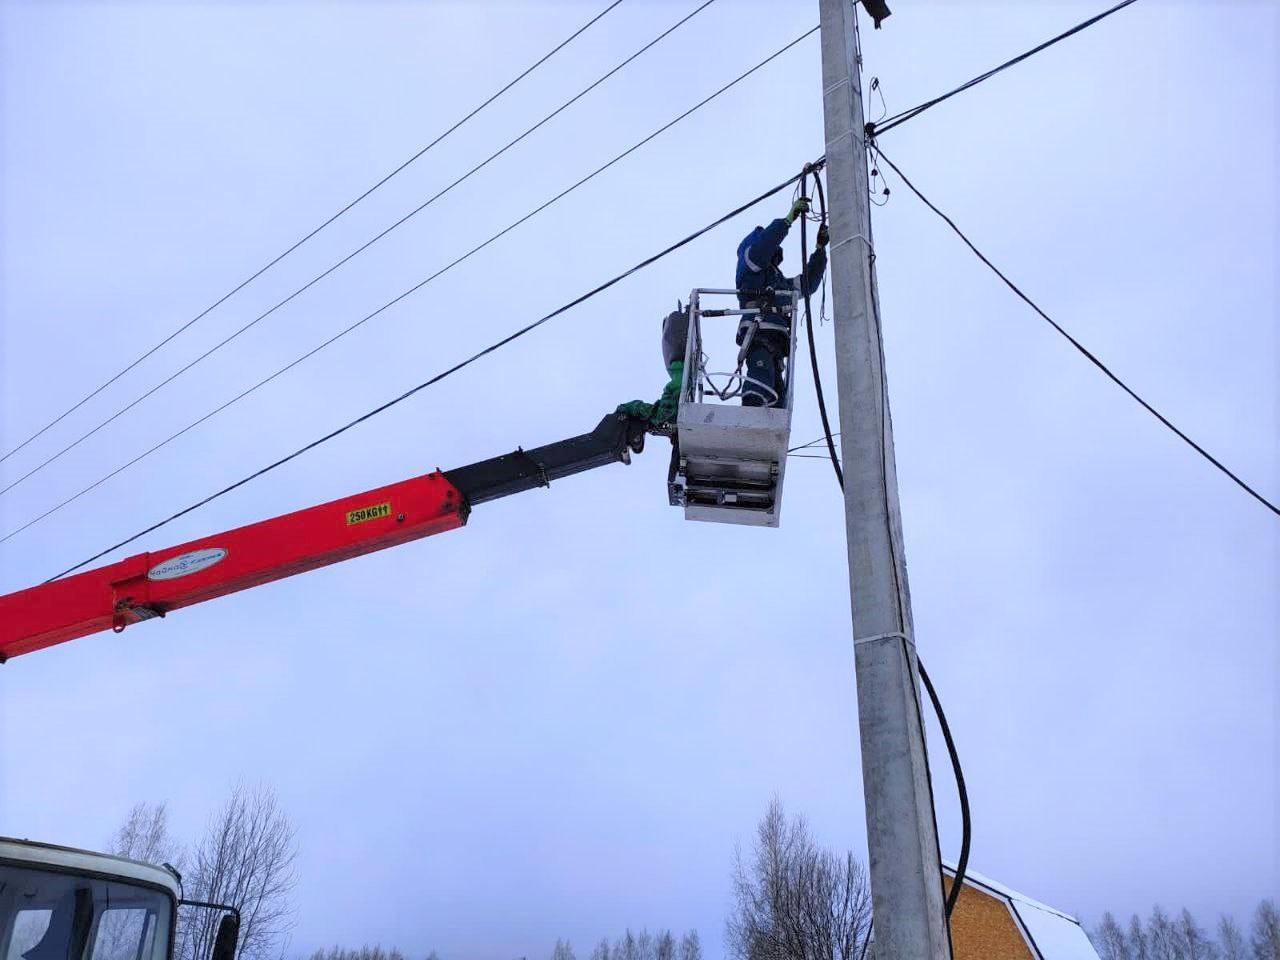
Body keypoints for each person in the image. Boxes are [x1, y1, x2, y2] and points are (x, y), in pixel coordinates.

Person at [735, 196, 829, 406]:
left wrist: (820, 250)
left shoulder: (776, 281)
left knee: (777, 395)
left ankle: (768, 416)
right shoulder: (750, 269)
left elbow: (806, 284)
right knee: (759, 379)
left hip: (776, 341)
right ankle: (751, 410)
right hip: (758, 331)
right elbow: (762, 249)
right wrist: (787, 221)